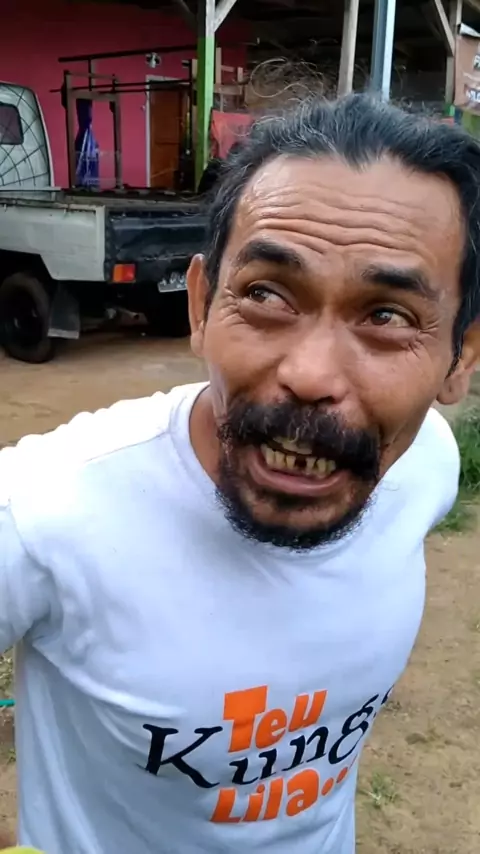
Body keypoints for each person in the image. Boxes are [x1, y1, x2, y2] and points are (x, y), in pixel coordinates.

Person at [1, 93, 479, 854]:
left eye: (386, 315)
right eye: (265, 295)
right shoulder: (42, 512)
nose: (310, 375)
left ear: (461, 357)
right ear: (200, 306)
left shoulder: (425, 468)